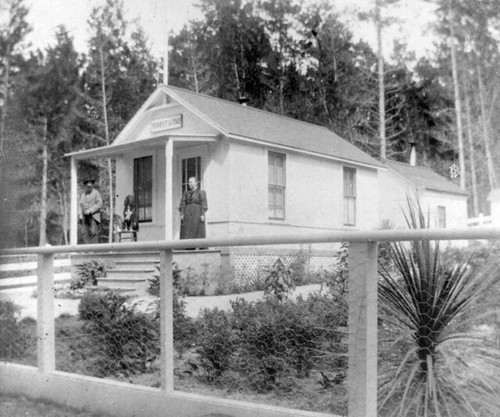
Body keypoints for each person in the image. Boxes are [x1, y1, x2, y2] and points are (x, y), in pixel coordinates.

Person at [179, 177, 208, 242]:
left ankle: (197, 246)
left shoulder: (201, 192)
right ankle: (186, 247)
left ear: (196, 183)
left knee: (196, 229)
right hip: (187, 214)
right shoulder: (186, 193)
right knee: (186, 230)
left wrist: (202, 214)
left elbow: (204, 204)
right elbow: (182, 203)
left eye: (191, 182)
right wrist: (182, 213)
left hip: (197, 214)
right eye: (189, 182)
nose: (189, 184)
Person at [79, 178, 103, 244]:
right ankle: (88, 248)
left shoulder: (96, 193)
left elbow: (100, 203)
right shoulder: (83, 194)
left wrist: (90, 210)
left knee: (94, 232)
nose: (89, 185)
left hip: (94, 215)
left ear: (92, 185)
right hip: (85, 216)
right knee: (84, 232)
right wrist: (80, 214)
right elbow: (80, 205)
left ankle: (94, 250)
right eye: (87, 184)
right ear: (85, 185)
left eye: (90, 184)